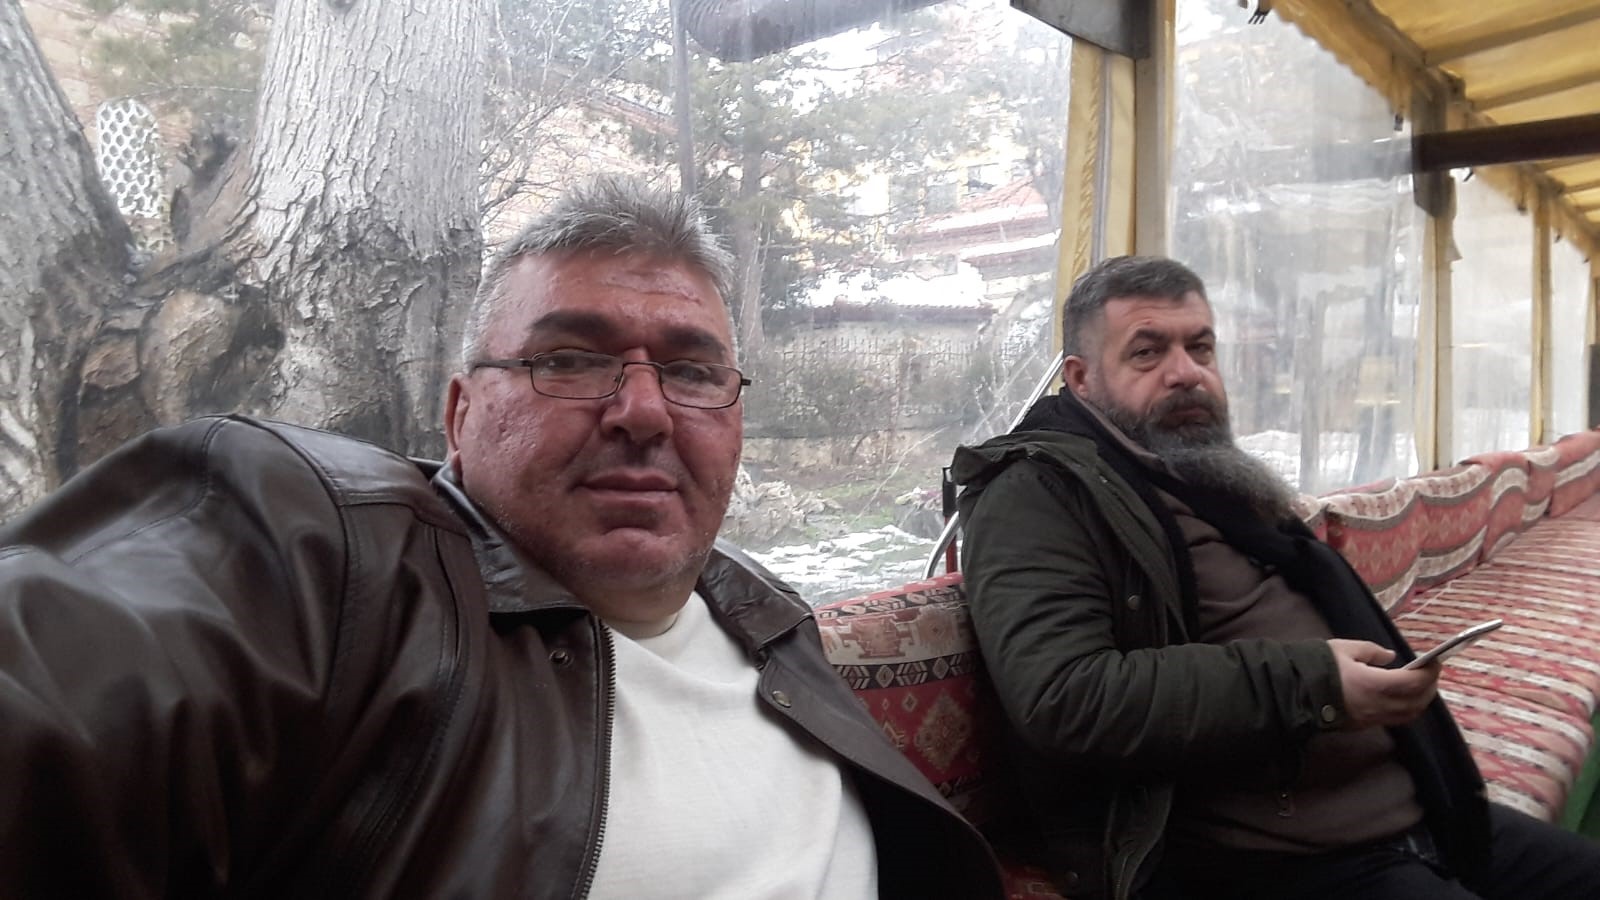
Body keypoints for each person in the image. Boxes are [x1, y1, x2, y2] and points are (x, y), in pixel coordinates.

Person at [0, 176, 1002, 899]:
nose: (644, 411)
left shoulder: (760, 609)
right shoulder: (332, 557)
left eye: (693, 371)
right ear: (460, 412)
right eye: (570, 359)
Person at [951, 255, 1600, 900]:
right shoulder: (1036, 493)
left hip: (1427, 812)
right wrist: (1315, 685)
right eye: (1147, 353)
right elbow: (1064, 697)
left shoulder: (1200, 472)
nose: (1185, 372)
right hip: (1283, 864)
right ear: (1081, 378)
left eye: (1200, 347)